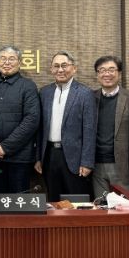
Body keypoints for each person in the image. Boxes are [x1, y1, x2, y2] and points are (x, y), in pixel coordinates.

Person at [35, 51, 96, 201]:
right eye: (56, 66)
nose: (60, 70)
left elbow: (89, 130)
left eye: (64, 65)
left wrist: (87, 162)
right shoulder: (44, 92)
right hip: (49, 155)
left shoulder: (85, 93)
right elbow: (40, 129)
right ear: (51, 69)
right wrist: (38, 158)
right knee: (53, 200)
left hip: (75, 158)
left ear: (74, 68)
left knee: (76, 201)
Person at [0, 45, 40, 193]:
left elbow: (31, 120)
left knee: (18, 201)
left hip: (19, 158)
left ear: (19, 62)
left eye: (12, 59)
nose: (7, 62)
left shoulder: (28, 86)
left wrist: (5, 147)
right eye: (3, 58)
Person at [92, 55, 129, 196]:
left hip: (123, 166)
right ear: (97, 74)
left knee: (128, 206)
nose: (107, 74)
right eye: (102, 70)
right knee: (101, 206)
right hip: (96, 166)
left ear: (119, 73)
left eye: (111, 70)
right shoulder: (90, 98)